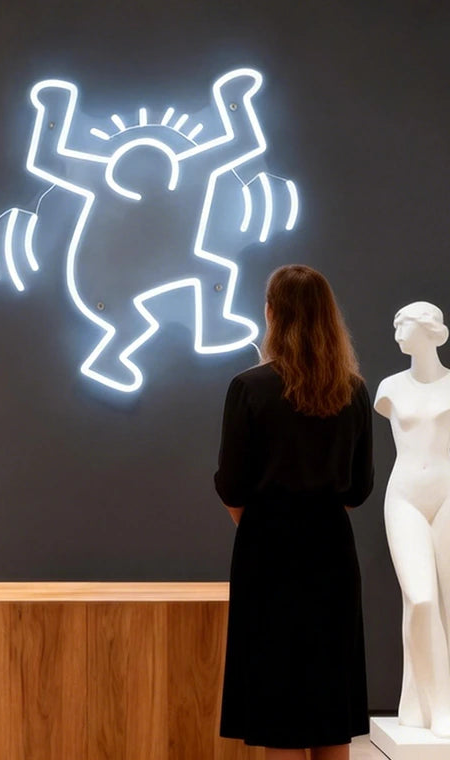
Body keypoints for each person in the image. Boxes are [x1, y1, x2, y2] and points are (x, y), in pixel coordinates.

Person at [215, 264, 374, 760]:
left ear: (271, 314)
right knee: (331, 706)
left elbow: (232, 485)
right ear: (328, 316)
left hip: (266, 551)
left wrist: (261, 522)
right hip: (332, 549)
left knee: (277, 707)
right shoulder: (353, 390)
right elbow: (359, 489)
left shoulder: (249, 387)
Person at [374, 302, 450, 737]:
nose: (397, 332)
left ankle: (417, 704)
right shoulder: (390, 389)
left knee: (446, 601)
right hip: (404, 497)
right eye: (395, 324)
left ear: (428, 330)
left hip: (447, 493)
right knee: (421, 598)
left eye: (403, 324)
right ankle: (439, 705)